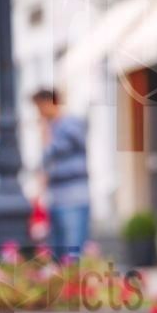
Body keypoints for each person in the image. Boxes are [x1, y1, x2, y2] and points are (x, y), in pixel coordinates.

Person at [31, 88, 91, 254]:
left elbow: (58, 149)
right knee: (58, 253)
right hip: (55, 198)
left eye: (39, 107)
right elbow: (46, 162)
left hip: (74, 198)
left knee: (72, 251)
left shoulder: (70, 123)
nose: (39, 113)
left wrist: (46, 136)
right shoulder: (51, 127)